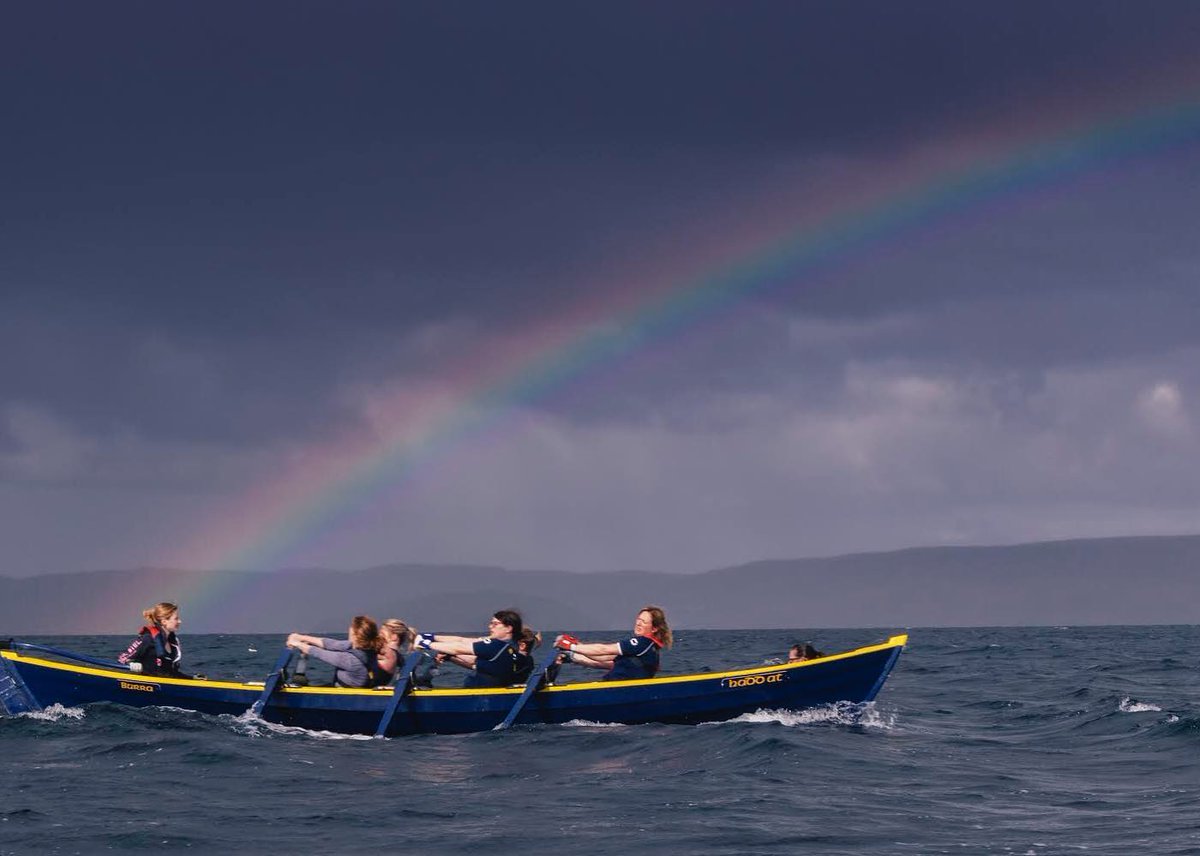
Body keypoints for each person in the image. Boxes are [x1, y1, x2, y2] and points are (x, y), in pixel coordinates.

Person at [555, 606, 671, 681]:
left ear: (654, 628)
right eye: (638, 620)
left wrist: (570, 646)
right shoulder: (646, 649)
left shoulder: (642, 643)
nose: (638, 624)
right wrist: (572, 655)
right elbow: (601, 660)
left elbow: (603, 650)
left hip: (618, 690)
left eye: (644, 622)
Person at [415, 609, 525, 689]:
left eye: (495, 624)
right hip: (489, 690)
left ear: (508, 628)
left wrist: (426, 644)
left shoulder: (496, 646)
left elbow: (458, 648)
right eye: (491, 623)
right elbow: (463, 641)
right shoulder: (509, 647)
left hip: (481, 695)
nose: (490, 626)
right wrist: (432, 638)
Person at [286, 615, 387, 688]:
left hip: (346, 697)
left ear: (355, 635)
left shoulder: (350, 660)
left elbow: (319, 653)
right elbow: (330, 643)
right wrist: (300, 637)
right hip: (343, 691)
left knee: (300, 681)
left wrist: (296, 643)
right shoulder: (367, 648)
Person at [117, 602, 192, 678]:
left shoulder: (173, 643)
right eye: (176, 618)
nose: (180, 621)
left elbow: (171, 673)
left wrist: (192, 678)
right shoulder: (148, 638)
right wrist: (130, 663)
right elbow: (122, 659)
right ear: (164, 621)